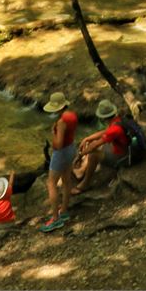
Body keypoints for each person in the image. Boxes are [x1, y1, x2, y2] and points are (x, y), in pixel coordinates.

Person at [71, 99, 128, 195]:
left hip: (124, 156)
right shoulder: (118, 120)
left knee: (93, 154)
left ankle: (85, 184)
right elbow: (106, 132)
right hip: (125, 148)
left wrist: (80, 155)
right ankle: (81, 171)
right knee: (94, 144)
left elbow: (95, 145)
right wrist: (87, 138)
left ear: (102, 117)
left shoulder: (114, 129)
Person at [40, 90, 78, 232]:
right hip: (71, 149)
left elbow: (58, 144)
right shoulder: (72, 115)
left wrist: (53, 134)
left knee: (51, 183)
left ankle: (55, 219)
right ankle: (64, 211)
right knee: (67, 180)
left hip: (61, 153)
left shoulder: (61, 122)